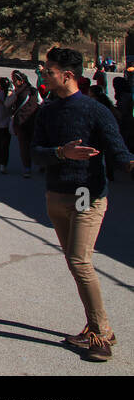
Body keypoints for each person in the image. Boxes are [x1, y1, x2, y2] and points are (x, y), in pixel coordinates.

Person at [31, 46, 134, 361]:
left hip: (85, 194)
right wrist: (62, 153)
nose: (44, 76)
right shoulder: (47, 111)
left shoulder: (95, 110)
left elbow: (118, 153)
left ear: (67, 75)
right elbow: (35, 153)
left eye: (48, 71)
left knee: (79, 261)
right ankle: (94, 326)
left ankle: (102, 334)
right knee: (75, 263)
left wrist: (130, 164)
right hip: (56, 195)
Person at [9, 70, 40, 178]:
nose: (13, 83)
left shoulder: (17, 93)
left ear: (21, 81)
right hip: (34, 122)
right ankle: (40, 164)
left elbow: (7, 103)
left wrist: (12, 94)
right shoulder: (34, 90)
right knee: (35, 144)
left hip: (21, 123)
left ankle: (27, 168)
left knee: (24, 146)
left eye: (14, 81)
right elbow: (41, 102)